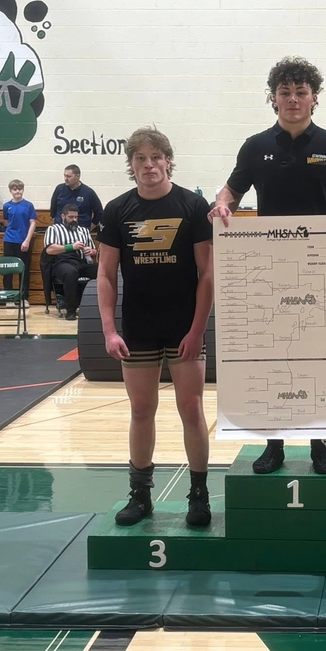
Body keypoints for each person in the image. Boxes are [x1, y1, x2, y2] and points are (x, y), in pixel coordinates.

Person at [208, 56, 326, 475]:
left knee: (319, 351)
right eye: (285, 92)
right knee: (273, 354)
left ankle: (321, 442)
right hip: (269, 270)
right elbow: (228, 193)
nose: (293, 99)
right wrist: (222, 207)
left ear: (314, 98)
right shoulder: (255, 147)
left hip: (321, 269)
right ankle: (274, 444)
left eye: (301, 92)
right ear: (274, 99)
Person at [98, 127, 215, 527]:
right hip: (139, 327)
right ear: (131, 165)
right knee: (141, 409)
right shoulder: (117, 210)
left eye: (155, 157)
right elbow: (106, 275)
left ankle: (198, 495)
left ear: (168, 160)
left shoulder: (192, 206)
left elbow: (207, 274)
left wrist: (197, 331)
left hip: (184, 326)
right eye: (140, 159)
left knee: (191, 408)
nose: (149, 165)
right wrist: (109, 330)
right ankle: (141, 494)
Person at [43, 204, 98, 320]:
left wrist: (91, 251)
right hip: (62, 262)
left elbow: (94, 251)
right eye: (71, 217)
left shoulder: (84, 231)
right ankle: (71, 310)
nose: (74, 220)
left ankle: (95, 306)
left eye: (76, 217)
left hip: (81, 261)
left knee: (101, 270)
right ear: (63, 216)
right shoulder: (54, 229)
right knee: (70, 272)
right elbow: (50, 249)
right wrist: (72, 247)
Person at [1, 179, 38, 306]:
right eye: (14, 189)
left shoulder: (28, 205)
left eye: (20, 189)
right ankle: (9, 297)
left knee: (24, 269)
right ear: (10, 191)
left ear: (23, 190)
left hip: (23, 240)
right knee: (8, 270)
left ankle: (23, 298)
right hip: (9, 240)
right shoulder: (6, 206)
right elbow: (6, 222)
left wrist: (27, 240)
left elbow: (33, 223)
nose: (17, 191)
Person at [49, 164, 103, 230]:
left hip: (81, 230)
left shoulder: (88, 192)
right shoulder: (59, 189)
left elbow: (99, 212)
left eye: (69, 176)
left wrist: (89, 229)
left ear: (78, 176)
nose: (65, 179)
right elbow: (53, 210)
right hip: (60, 230)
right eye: (65, 176)